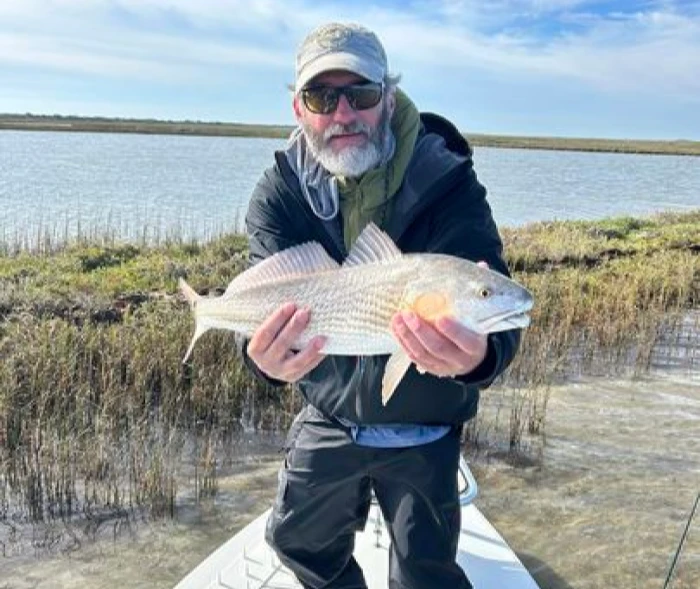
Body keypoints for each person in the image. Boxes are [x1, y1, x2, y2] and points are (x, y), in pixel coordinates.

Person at [241, 21, 522, 589]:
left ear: (387, 98)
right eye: (322, 96)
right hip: (330, 412)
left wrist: (477, 358)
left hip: (428, 421)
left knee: (426, 575)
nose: (342, 112)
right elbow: (260, 302)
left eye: (361, 93)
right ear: (299, 108)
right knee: (296, 542)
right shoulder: (279, 193)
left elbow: (498, 302)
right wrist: (261, 361)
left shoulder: (447, 180)